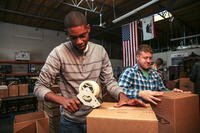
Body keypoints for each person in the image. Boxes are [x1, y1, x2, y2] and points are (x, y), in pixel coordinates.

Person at [34, 11, 146, 133]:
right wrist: (63, 100)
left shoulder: (100, 51)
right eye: (73, 38)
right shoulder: (58, 53)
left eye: (82, 36)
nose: (79, 42)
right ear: (67, 34)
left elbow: (109, 81)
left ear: (88, 29)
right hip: (70, 122)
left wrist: (122, 96)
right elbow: (39, 87)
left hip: (96, 116)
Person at [118, 44, 183, 105]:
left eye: (150, 58)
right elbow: (120, 91)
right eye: (145, 58)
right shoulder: (129, 72)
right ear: (137, 57)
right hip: (136, 110)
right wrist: (140, 93)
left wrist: (171, 92)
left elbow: (162, 90)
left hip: (154, 110)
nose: (149, 61)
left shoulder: (155, 74)